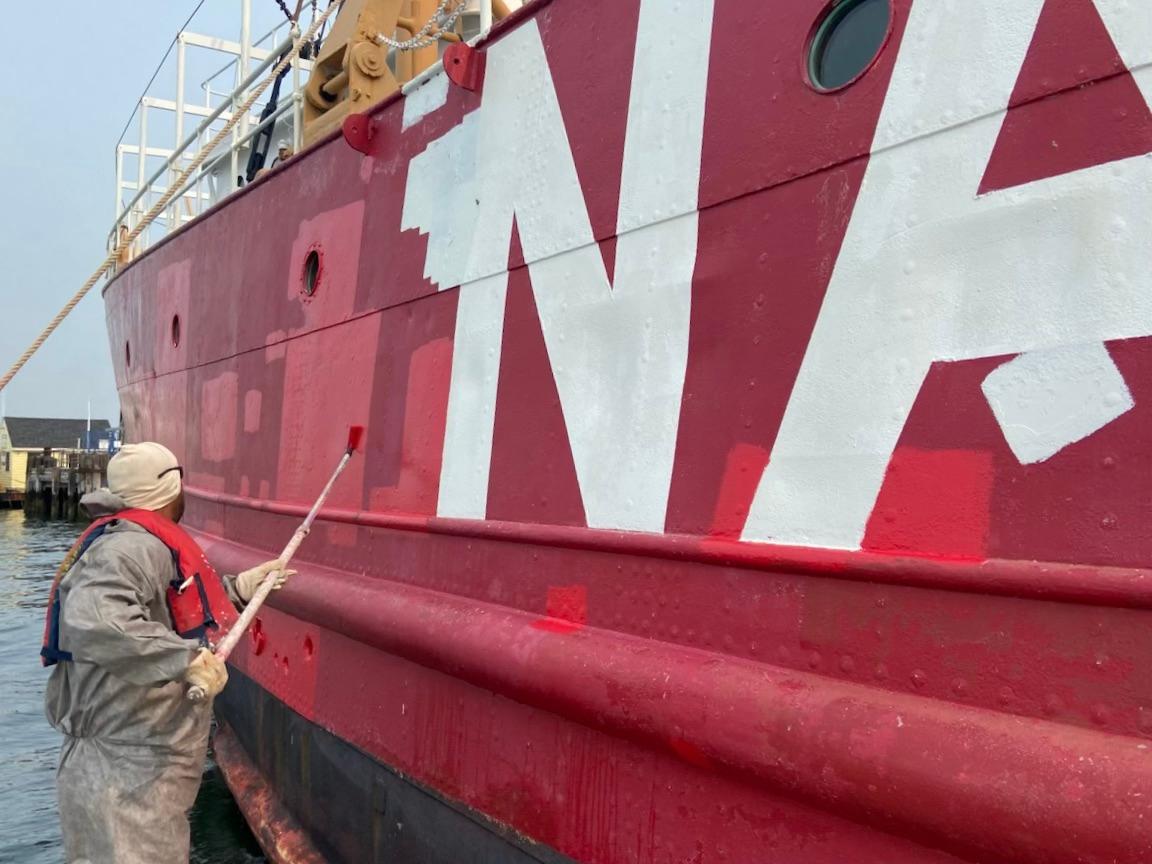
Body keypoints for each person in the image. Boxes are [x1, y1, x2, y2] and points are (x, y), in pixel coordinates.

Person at [43, 442, 294, 864]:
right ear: (170, 489)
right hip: (127, 772)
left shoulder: (129, 539)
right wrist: (186, 660)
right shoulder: (132, 548)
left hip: (131, 764)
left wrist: (237, 590)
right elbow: (95, 619)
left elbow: (166, 611)